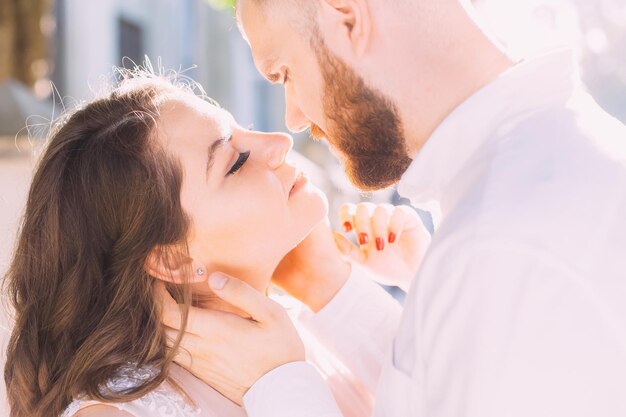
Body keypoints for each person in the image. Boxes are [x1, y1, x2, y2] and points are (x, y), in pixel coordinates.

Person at [163, 0, 626, 416]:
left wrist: (278, 385)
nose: (293, 120)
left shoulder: (501, 249)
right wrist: (335, 291)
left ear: (346, 17)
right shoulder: (545, 170)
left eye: (284, 73)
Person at [2, 71, 428, 417]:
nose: (278, 143)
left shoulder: (299, 333)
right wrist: (278, 383)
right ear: (173, 259)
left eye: (243, 131)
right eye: (235, 162)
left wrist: (333, 289)